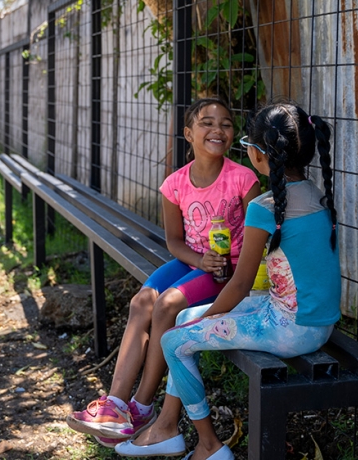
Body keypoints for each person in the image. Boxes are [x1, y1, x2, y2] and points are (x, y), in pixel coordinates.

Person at [118, 100, 341, 460]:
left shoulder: (265, 208)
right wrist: (202, 321)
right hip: (315, 319)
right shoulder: (318, 194)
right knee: (184, 319)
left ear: (256, 154)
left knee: (175, 341)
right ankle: (168, 428)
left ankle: (208, 446)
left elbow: (238, 285)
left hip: (291, 327)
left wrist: (209, 320)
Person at [66, 97, 261, 450]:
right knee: (142, 301)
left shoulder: (244, 180)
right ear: (188, 133)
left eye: (226, 124)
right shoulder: (174, 184)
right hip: (193, 262)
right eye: (206, 122)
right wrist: (199, 260)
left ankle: (141, 408)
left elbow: (254, 246)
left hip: (228, 271)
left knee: (168, 304)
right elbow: (174, 242)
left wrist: (215, 265)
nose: (217, 129)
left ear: (233, 134)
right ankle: (115, 405)